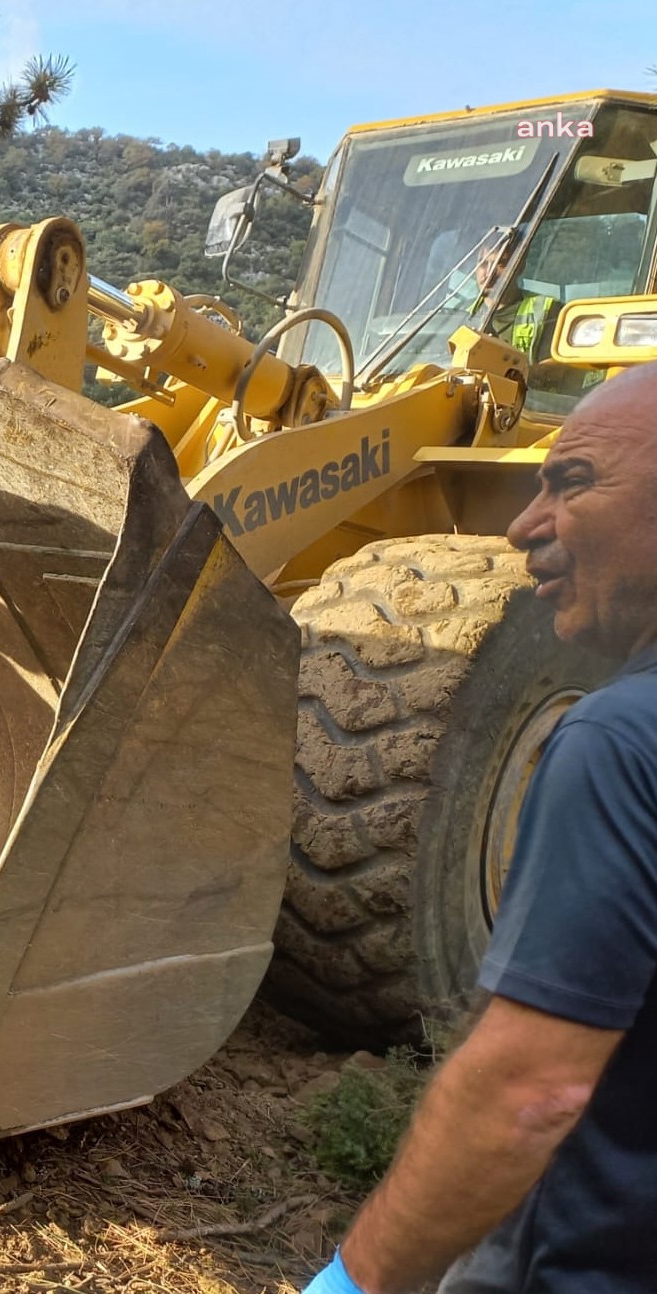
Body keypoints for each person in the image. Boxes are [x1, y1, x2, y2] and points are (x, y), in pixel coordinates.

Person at [303, 364, 657, 1294]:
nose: (520, 524)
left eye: (571, 483)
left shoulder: (618, 741)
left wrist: (353, 1283)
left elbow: (529, 1091)